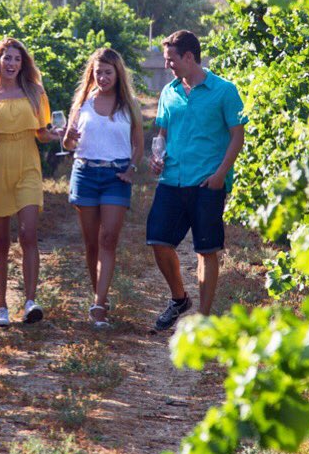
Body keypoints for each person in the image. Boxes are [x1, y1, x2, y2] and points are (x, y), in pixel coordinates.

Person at [146, 29, 247, 329]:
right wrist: (157, 156)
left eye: (171, 59)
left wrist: (220, 175)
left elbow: (237, 136)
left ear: (189, 57)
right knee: (158, 240)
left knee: (206, 249)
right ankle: (179, 298)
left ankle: (203, 318)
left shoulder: (225, 91)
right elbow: (162, 133)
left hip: (207, 183)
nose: (167, 65)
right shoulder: (169, 92)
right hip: (171, 180)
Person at [0, 37, 63, 328]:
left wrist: (56, 135)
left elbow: (42, 133)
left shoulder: (35, 92)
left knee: (28, 233)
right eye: (7, 58)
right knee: (0, 242)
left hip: (28, 164)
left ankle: (31, 302)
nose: (11, 63)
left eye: (17, 59)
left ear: (23, 64)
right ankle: (1, 308)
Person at [62, 48, 145, 328]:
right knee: (91, 243)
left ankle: (98, 306)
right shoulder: (82, 103)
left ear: (118, 74)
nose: (103, 77)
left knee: (108, 238)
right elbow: (68, 144)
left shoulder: (129, 105)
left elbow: (138, 145)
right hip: (85, 173)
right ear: (92, 73)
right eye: (98, 72)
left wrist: (131, 169)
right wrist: (68, 137)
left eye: (108, 72)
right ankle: (99, 293)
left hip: (115, 176)